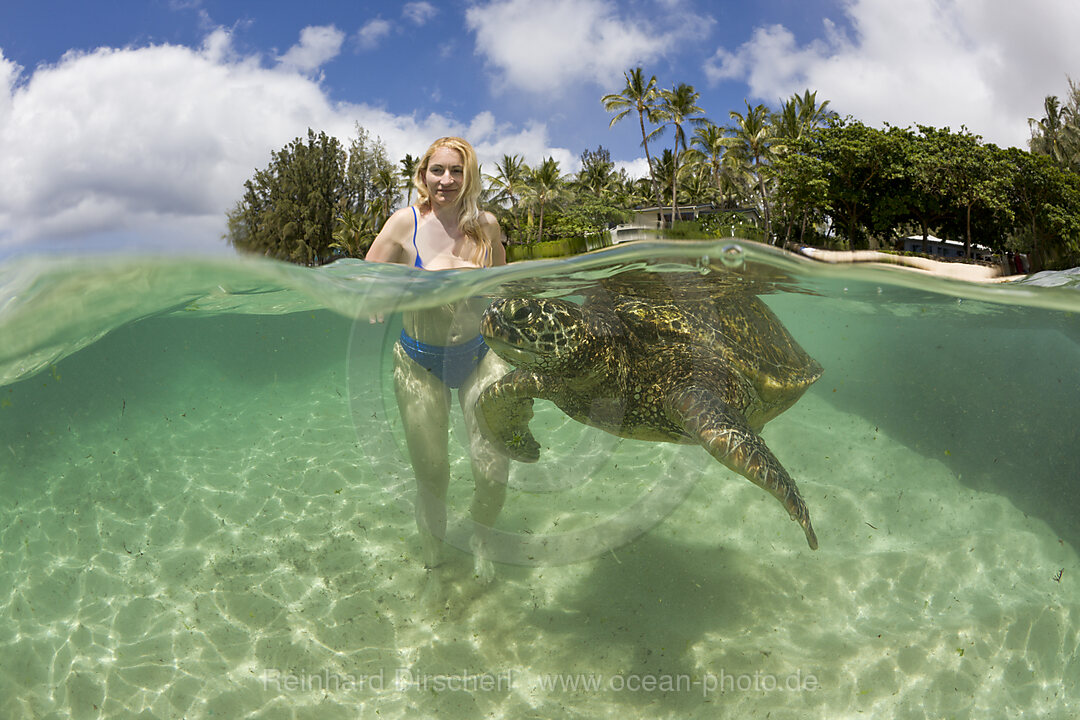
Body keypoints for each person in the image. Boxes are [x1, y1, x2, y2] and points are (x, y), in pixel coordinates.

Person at [365, 137, 510, 585]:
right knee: (433, 474)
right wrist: (382, 299)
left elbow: (503, 284)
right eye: (438, 170)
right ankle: (433, 563)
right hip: (418, 360)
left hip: (479, 354)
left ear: (470, 177)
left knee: (493, 469)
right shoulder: (401, 223)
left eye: (457, 171)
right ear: (423, 174)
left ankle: (481, 537)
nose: (446, 180)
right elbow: (366, 281)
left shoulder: (486, 225)